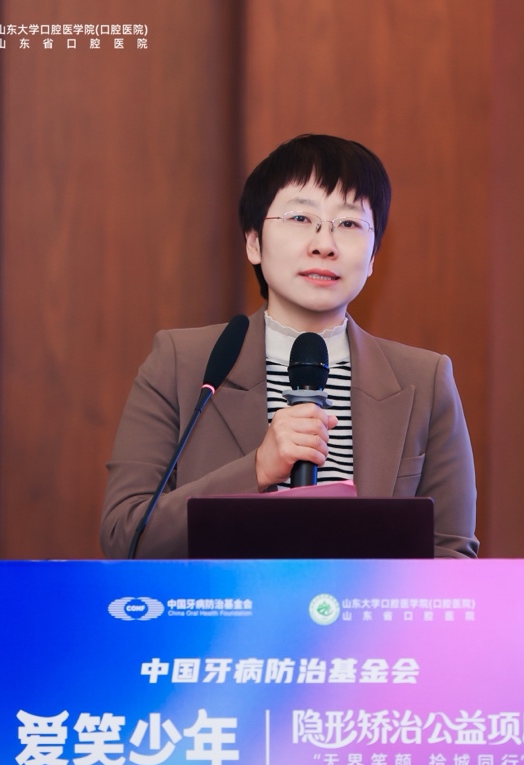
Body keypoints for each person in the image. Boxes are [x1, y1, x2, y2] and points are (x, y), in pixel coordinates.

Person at [99, 134, 478, 558]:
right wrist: (257, 470)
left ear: (373, 258)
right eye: (300, 218)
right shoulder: (181, 365)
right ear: (253, 242)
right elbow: (125, 537)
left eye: (349, 224)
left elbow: (451, 555)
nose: (324, 244)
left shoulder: (424, 381)